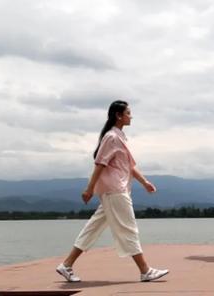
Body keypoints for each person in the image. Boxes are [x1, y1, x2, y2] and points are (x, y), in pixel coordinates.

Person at [56, 100, 169, 282]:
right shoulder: (112, 137)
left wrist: (145, 182)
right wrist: (89, 189)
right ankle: (145, 270)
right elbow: (100, 164)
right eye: (128, 113)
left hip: (115, 191)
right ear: (119, 115)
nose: (131, 116)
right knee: (128, 228)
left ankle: (66, 265)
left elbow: (130, 166)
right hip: (115, 191)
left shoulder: (120, 138)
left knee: (93, 227)